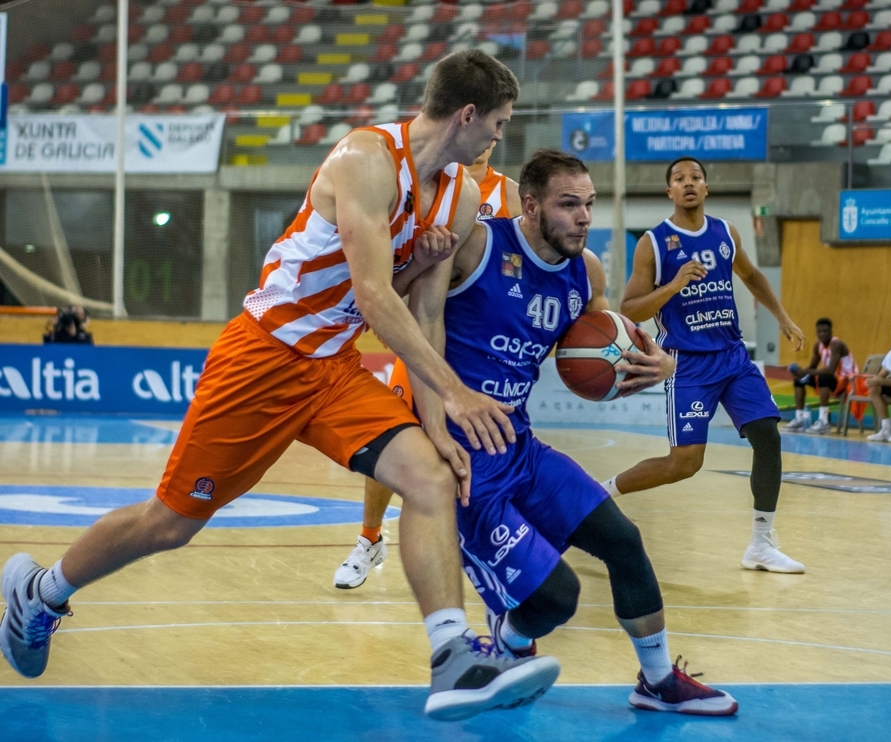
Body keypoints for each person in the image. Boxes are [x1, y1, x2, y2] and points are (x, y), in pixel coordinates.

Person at [0, 50, 562, 722]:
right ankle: (41, 591)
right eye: (497, 124)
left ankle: (454, 659)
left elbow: (425, 312)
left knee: (431, 477)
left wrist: (439, 424)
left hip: (333, 370)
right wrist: (456, 392)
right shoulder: (366, 160)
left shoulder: (462, 195)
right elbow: (374, 294)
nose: (499, 139)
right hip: (262, 357)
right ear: (466, 115)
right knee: (170, 524)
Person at [351, 149, 736, 715]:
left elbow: (610, 346)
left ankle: (657, 682)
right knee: (560, 598)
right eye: (568, 205)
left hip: (520, 447)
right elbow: (401, 317)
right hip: (463, 462)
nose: (584, 217)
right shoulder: (477, 246)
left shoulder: (587, 274)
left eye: (589, 205)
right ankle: (506, 639)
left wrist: (659, 365)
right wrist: (436, 416)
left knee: (624, 543)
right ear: (530, 206)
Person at [602, 156, 808, 574]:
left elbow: (751, 276)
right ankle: (600, 493)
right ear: (670, 192)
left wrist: (783, 317)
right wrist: (675, 284)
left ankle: (761, 544)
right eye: (679, 179)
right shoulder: (654, 243)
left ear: (707, 188)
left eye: (696, 177)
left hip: (733, 357)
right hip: (687, 364)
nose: (689, 183)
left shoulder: (724, 233)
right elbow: (630, 309)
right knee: (685, 463)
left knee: (767, 436)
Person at [335, 140, 522, 591]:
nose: (489, 141)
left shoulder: (510, 194)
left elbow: (519, 263)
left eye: (499, 134)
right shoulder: (427, 188)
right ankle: (369, 538)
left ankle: (490, 548)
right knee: (392, 435)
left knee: (489, 448)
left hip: (480, 336)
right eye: (489, 129)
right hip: (424, 328)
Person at [784, 318, 856, 435]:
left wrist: (805, 371)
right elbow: (812, 367)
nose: (822, 334)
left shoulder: (836, 344)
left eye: (825, 331)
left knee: (824, 376)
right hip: (833, 381)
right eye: (819, 331)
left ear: (831, 332)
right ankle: (800, 419)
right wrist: (800, 372)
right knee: (799, 380)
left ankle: (824, 421)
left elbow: (830, 370)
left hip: (847, 382)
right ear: (816, 332)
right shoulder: (818, 345)